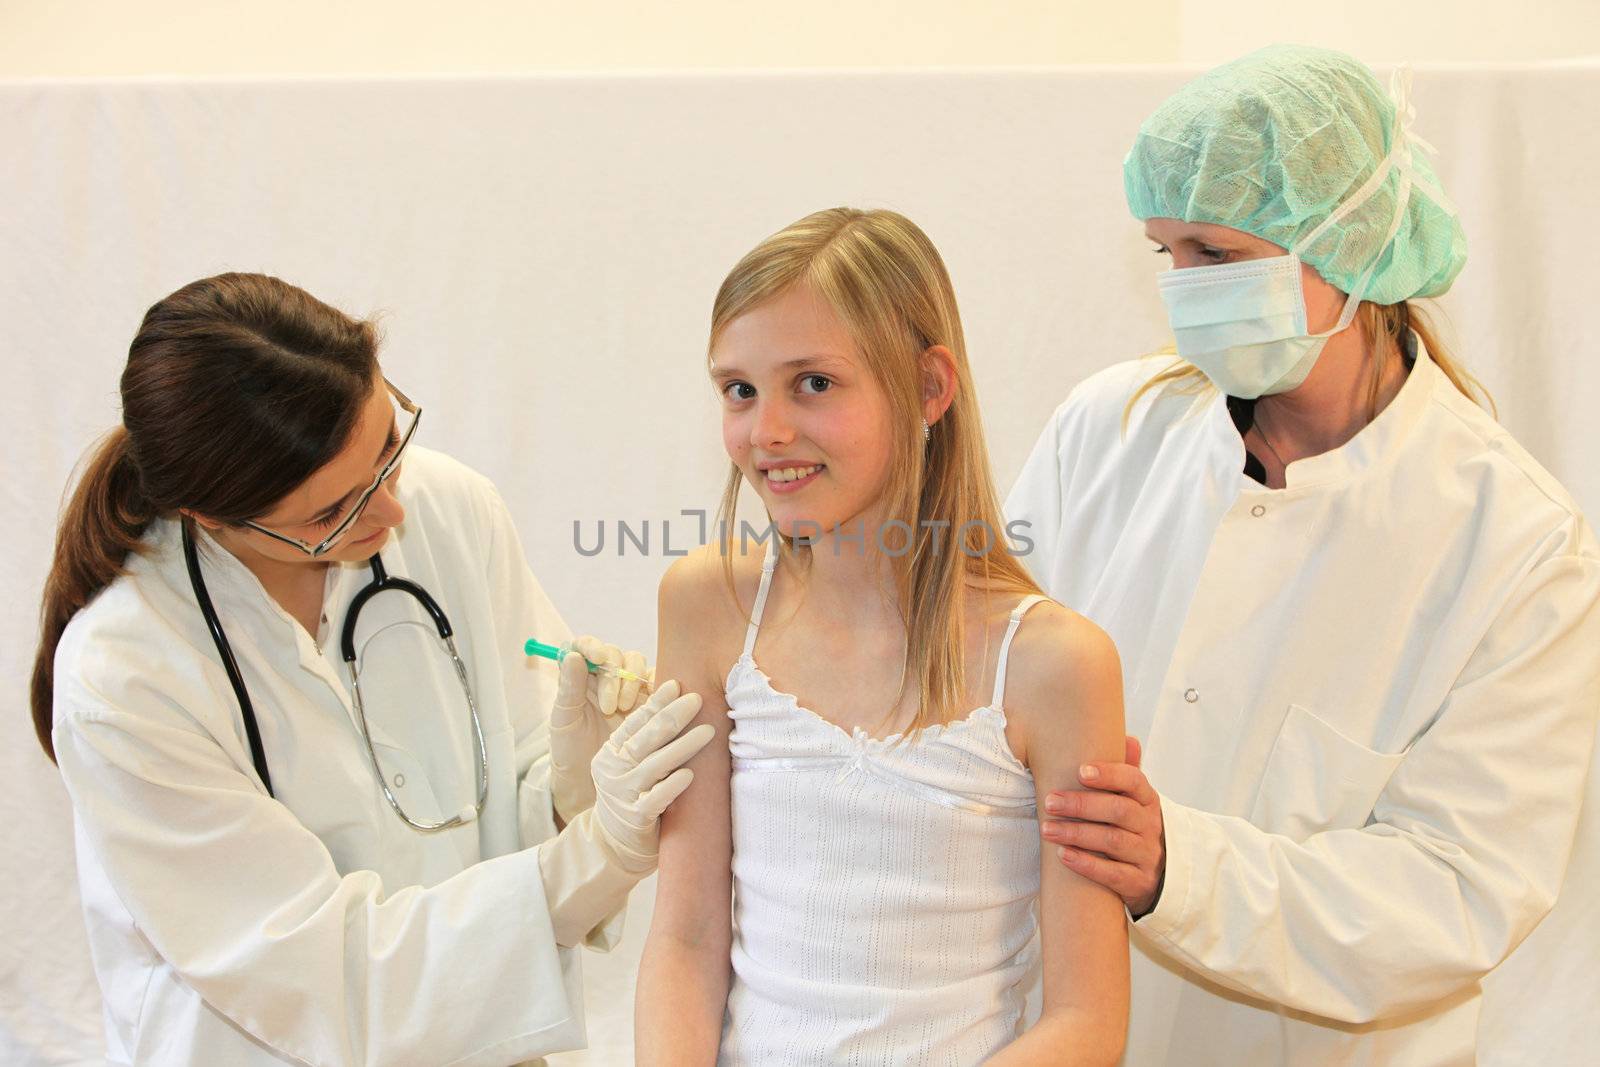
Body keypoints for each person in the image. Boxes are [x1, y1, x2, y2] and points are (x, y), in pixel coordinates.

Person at [1006, 45, 1600, 1065]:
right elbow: (986, 690)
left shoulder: (1515, 544)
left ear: (1350, 247)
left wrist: (1175, 868)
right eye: (1167, 257)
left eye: (1218, 256)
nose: (1184, 291)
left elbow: (1455, 896)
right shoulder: (1106, 430)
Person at [31, 272, 713, 1066]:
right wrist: (592, 859)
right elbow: (324, 975)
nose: (391, 511)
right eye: (332, 512)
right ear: (210, 517)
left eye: (390, 445)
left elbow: (500, 813)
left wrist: (573, 793)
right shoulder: (125, 678)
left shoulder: (449, 508)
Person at [635, 208, 1130, 1064]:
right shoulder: (707, 607)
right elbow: (684, 941)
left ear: (931, 387)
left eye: (814, 383)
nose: (768, 432)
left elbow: (1087, 1020)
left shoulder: (1052, 664)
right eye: (739, 389)